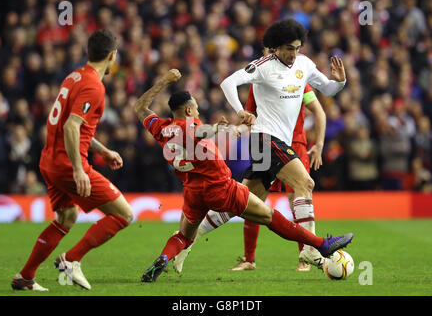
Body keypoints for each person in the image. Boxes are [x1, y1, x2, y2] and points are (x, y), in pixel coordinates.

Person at [134, 68, 353, 283]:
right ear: (189, 111)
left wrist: (163, 81)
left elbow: (140, 107)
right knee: (269, 216)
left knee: (184, 236)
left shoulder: (162, 128)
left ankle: (164, 256)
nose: (198, 111)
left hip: (192, 193)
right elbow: (199, 132)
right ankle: (320, 244)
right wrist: (215, 129)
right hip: (220, 188)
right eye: (197, 108)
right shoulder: (193, 126)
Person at [212, 18, 346, 271]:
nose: (293, 54)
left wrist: (339, 83)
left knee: (247, 201)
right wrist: (238, 123)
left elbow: (323, 101)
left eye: (297, 47)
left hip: (295, 144)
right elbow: (244, 109)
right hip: (268, 142)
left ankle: (185, 240)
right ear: (272, 48)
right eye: (287, 48)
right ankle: (309, 252)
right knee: (303, 185)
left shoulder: (302, 71)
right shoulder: (260, 76)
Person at [11, 30, 134, 291]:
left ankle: (25, 277)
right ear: (112, 56)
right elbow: (71, 126)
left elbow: (76, 127)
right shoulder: (94, 86)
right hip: (68, 164)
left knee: (67, 217)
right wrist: (79, 169)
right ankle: (71, 259)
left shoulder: (74, 77)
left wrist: (102, 150)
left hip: (50, 160)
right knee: (124, 214)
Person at [172, 82, 326, 274]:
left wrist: (319, 143)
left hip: (294, 143)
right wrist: (239, 130)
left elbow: (319, 111)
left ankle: (306, 254)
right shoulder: (259, 82)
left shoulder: (299, 78)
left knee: (276, 195)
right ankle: (299, 252)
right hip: (267, 143)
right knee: (244, 201)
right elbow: (250, 120)